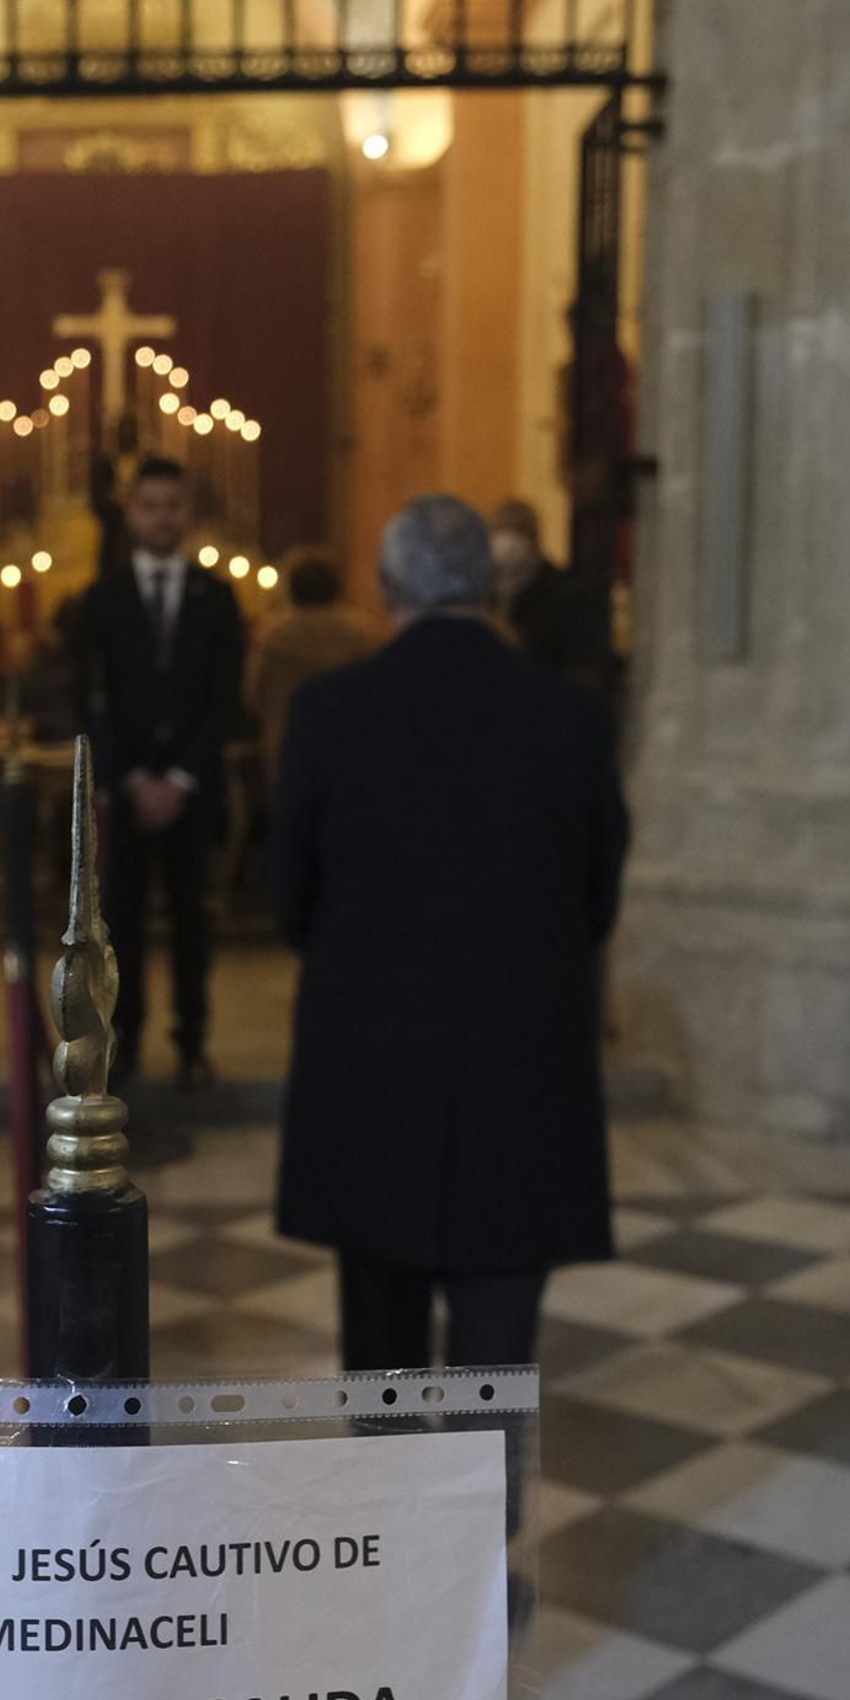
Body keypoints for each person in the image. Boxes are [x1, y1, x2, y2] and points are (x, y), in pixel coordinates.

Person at [274, 492, 629, 1372]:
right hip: (523, 1068)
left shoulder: (329, 712)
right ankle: (486, 1506)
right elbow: (599, 897)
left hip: (371, 1071)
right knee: (497, 1363)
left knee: (382, 1356)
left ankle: (392, 1509)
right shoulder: (571, 718)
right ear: (491, 584)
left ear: (388, 585)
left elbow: (288, 900)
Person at [78, 455, 244, 1088]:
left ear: (189, 513)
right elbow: (92, 698)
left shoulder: (216, 599)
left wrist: (180, 778)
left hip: (189, 791)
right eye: (150, 505)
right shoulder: (103, 599)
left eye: (173, 505)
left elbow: (221, 698)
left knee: (191, 916)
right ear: (132, 511)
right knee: (121, 921)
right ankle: (128, 1041)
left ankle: (192, 1037)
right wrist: (127, 780)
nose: (162, 517)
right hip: (126, 793)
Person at [248, 550, 377, 789]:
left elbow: (254, 693)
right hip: (348, 741)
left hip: (286, 743)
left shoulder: (274, 635)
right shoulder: (362, 634)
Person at [490, 498, 615, 700]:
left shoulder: (565, 593)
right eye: (501, 529)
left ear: (535, 537)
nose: (508, 541)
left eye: (519, 530)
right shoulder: (482, 590)